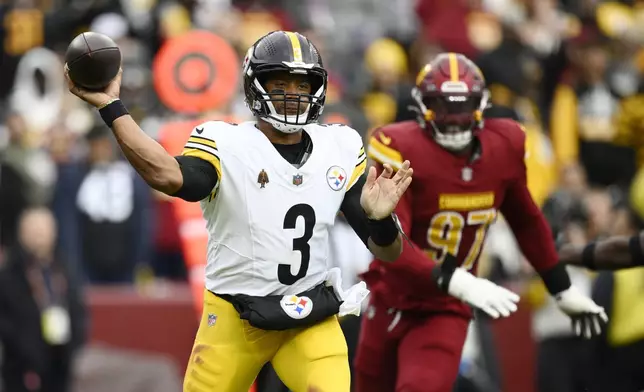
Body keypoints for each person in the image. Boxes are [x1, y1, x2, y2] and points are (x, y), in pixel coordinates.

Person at [66, 30, 463, 392]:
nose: (292, 93)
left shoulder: (338, 147)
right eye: (280, 83)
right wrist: (113, 109)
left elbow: (387, 252)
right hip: (235, 317)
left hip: (310, 315)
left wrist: (379, 219)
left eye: (302, 84)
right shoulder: (225, 141)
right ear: (256, 87)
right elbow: (168, 176)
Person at [354, 52, 609, 392]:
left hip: (443, 309)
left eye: (463, 106)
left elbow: (526, 220)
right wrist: (456, 278)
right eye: (443, 107)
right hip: (391, 294)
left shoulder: (504, 145)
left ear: (481, 105)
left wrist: (560, 287)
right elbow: (393, 246)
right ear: (422, 107)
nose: (455, 118)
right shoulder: (401, 146)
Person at [0, 207, 86, 392]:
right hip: (21, 367)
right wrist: (25, 349)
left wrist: (74, 344)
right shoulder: (9, 275)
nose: (39, 234)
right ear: (21, 233)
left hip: (60, 362)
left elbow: (78, 310)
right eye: (33, 229)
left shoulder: (64, 270)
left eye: (43, 228)